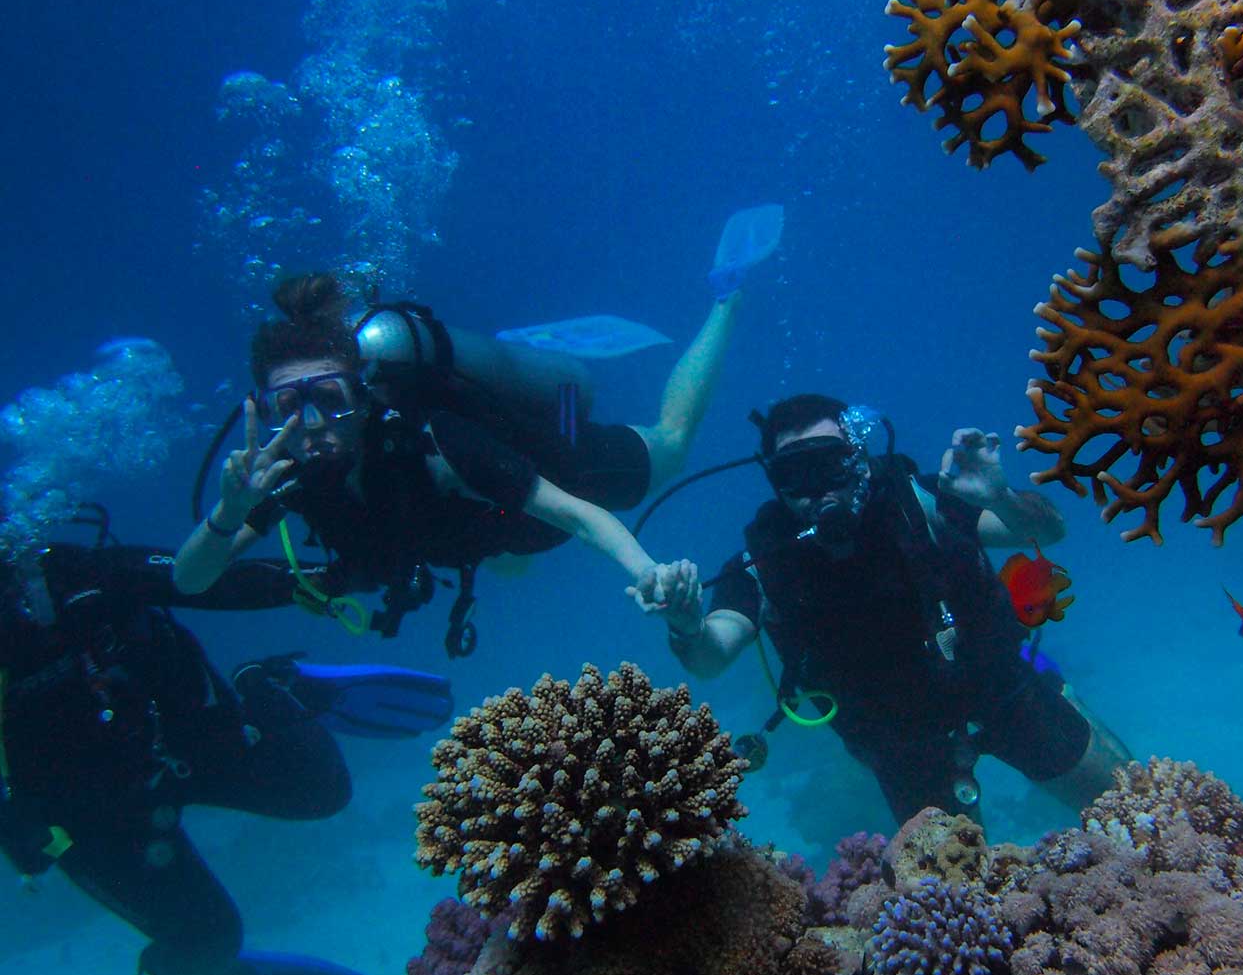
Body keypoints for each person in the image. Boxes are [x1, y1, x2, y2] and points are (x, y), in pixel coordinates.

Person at [0, 539, 451, 975]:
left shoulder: (72, 570)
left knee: (322, 789)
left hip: (181, 745)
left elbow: (203, 578)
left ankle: (273, 684)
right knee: (205, 947)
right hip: (88, 816)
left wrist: (329, 577)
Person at [174, 265, 749, 650]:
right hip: (488, 532)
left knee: (671, 441)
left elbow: (576, 515)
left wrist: (648, 574)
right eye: (289, 405)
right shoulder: (278, 478)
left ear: (364, 392)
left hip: (559, 473)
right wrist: (229, 513)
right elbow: (190, 580)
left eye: (329, 398)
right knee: (509, 558)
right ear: (266, 410)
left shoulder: (435, 438)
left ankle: (726, 297)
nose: (314, 424)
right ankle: (530, 370)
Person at [642, 394, 1132, 826]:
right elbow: (712, 653)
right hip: (901, 747)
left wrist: (1001, 498)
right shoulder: (763, 563)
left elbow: (1046, 532)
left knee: (1137, 810)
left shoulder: (920, 502)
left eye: (830, 464)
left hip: (1004, 692)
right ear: (775, 481)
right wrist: (686, 626)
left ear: (859, 457)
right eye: (796, 473)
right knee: (953, 905)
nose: (819, 489)